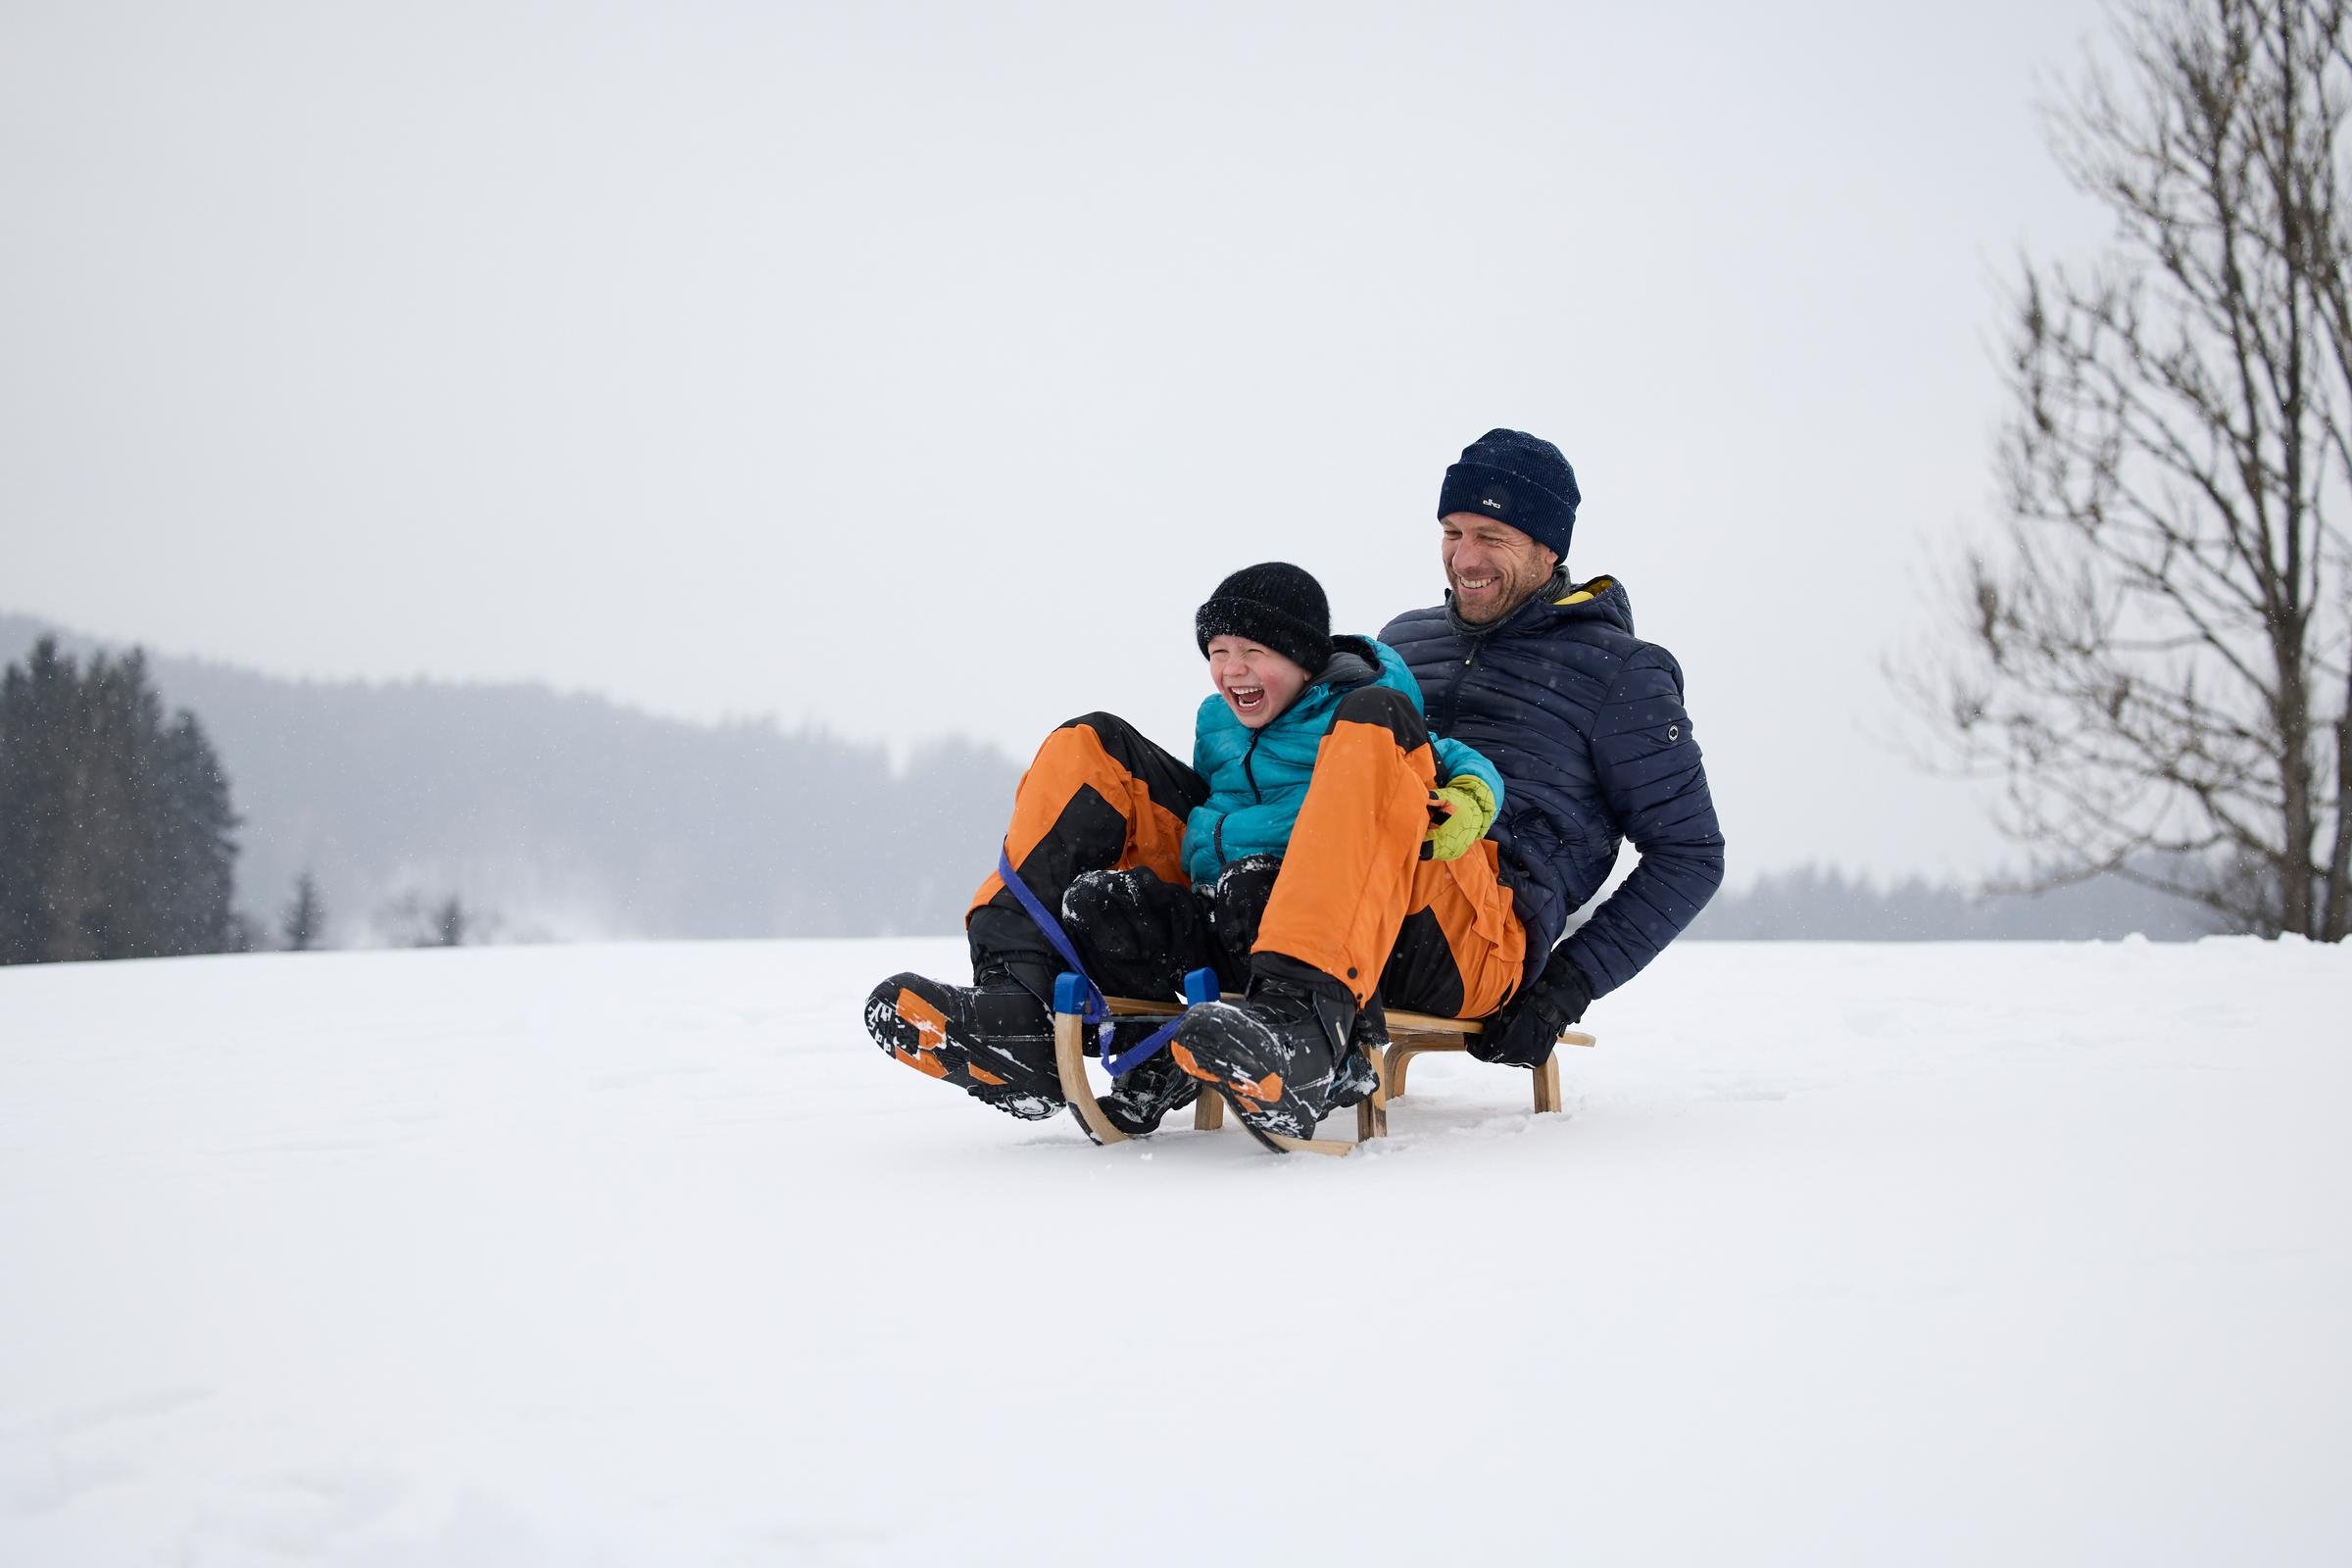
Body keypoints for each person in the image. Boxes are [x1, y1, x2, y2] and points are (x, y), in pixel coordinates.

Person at [1158, 428, 1724, 1138]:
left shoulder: (1620, 673)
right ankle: (1043, 1002)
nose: (1465, 557)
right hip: (1320, 898)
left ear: (1550, 549)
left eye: (1493, 535)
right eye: (1452, 531)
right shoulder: (1404, 641)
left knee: (1373, 717)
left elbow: (1690, 853)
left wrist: (1564, 990)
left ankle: (1300, 1037)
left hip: (1475, 934)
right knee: (1119, 762)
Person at [863, 562, 1504, 1138]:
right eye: (1219, 651)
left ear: (1306, 659)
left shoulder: (1365, 713)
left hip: (1340, 929)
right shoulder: (1219, 725)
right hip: (1229, 918)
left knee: (1260, 875)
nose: (1233, 669)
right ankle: (1019, 1008)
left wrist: (1471, 799)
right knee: (1090, 752)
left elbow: (1451, 760)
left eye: (1254, 650)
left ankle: (1304, 1036)